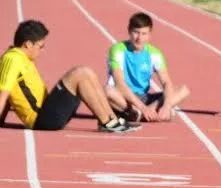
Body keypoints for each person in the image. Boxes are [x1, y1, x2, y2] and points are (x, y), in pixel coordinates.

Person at [0, 20, 135, 133]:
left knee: (87, 72)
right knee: (79, 72)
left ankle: (111, 118)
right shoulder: (12, 59)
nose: (42, 50)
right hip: (42, 119)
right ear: (28, 44)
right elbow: (4, 93)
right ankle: (107, 122)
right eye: (41, 46)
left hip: (49, 113)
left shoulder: (23, 58)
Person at [105, 12, 191, 123]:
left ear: (150, 34)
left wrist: (167, 105)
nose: (139, 38)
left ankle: (141, 114)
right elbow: (120, 85)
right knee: (107, 91)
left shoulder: (155, 53)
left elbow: (166, 82)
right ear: (129, 31)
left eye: (144, 34)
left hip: (145, 98)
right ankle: (141, 113)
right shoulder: (117, 50)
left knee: (183, 90)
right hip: (125, 98)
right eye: (136, 33)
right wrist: (143, 107)